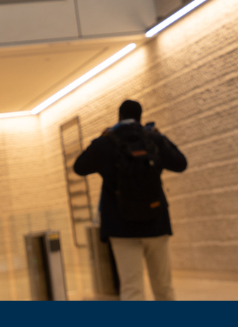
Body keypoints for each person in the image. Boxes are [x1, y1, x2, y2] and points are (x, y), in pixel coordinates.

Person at [73, 100, 188, 301]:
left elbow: (79, 167)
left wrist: (101, 138)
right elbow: (181, 163)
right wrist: (160, 137)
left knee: (131, 288)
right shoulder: (152, 139)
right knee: (163, 287)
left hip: (120, 226)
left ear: (119, 117)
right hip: (156, 223)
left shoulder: (105, 143)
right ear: (140, 116)